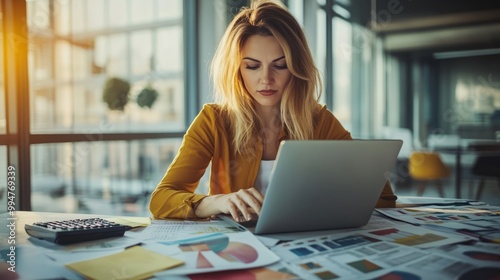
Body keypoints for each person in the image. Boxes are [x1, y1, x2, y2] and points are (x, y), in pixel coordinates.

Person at [149, 0, 397, 222]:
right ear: (237, 70)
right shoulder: (213, 120)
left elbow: (382, 197)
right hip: (239, 248)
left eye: (280, 66)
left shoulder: (320, 121)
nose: (266, 79)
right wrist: (217, 202)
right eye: (253, 66)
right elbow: (161, 199)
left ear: (296, 68)